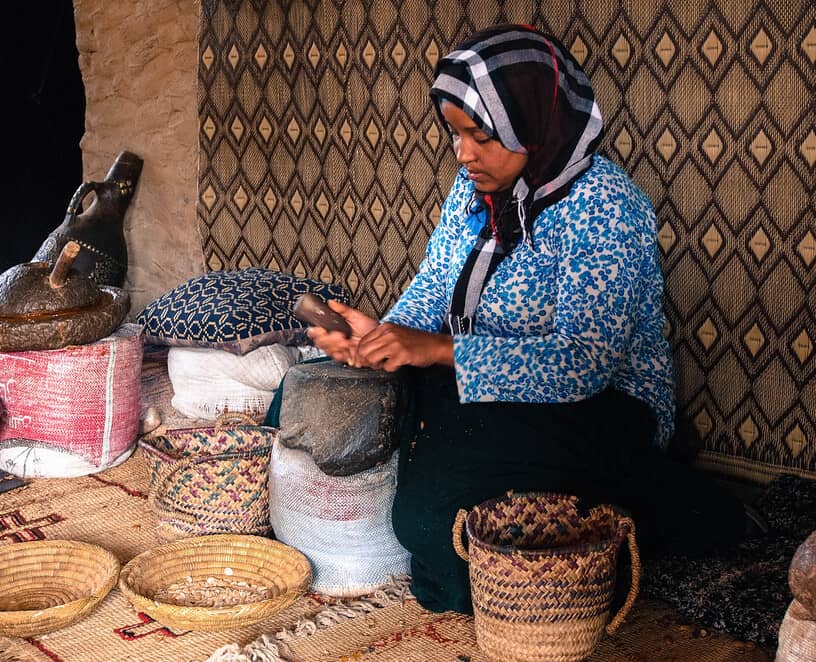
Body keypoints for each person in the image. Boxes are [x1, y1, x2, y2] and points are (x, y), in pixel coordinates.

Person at [307, 24, 745, 614]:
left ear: (532, 122)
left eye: (481, 136)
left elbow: (581, 365)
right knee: (306, 399)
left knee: (434, 532)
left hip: (599, 410)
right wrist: (379, 339)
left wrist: (435, 352)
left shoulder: (606, 207)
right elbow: (432, 292)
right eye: (456, 135)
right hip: (486, 393)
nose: (464, 155)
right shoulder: (471, 193)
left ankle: (654, 493)